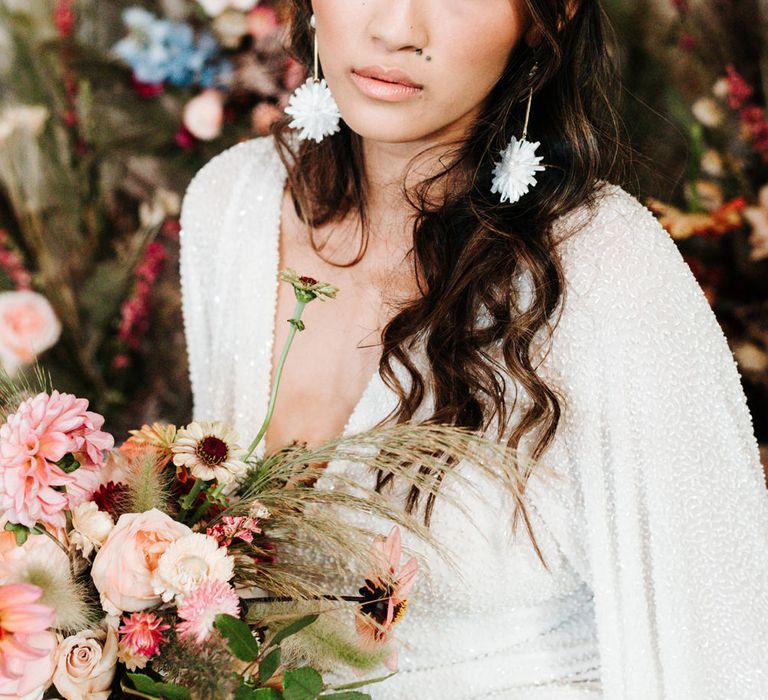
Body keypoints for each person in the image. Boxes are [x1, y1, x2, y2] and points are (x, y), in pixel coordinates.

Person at [178, 0, 768, 697]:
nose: (396, 29)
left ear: (549, 14)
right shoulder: (234, 206)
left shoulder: (607, 270)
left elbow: (725, 650)